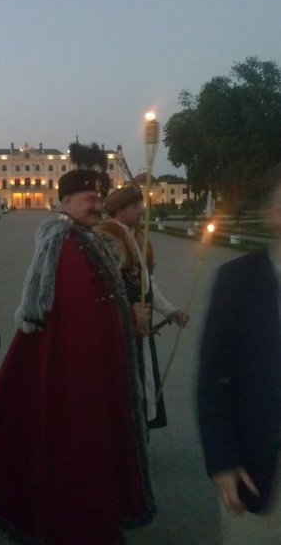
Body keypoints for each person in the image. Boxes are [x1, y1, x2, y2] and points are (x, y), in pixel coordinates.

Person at [0, 145, 156, 545]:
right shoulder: (66, 242)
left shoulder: (82, 237)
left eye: (99, 198)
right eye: (90, 199)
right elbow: (78, 311)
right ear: (66, 202)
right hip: (76, 363)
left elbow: (95, 300)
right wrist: (128, 319)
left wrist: (127, 311)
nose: (98, 205)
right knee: (74, 445)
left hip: (88, 353)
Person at [197, 164, 281, 545]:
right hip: (261, 470)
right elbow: (213, 379)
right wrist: (223, 460)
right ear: (272, 213)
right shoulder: (238, 280)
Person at [96, 183, 189, 429]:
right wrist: (128, 316)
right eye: (135, 206)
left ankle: (140, 434)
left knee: (143, 386)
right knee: (123, 389)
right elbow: (102, 292)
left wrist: (170, 311)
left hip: (141, 329)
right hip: (121, 331)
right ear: (119, 210)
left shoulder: (137, 237)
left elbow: (148, 286)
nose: (141, 210)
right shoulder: (106, 239)